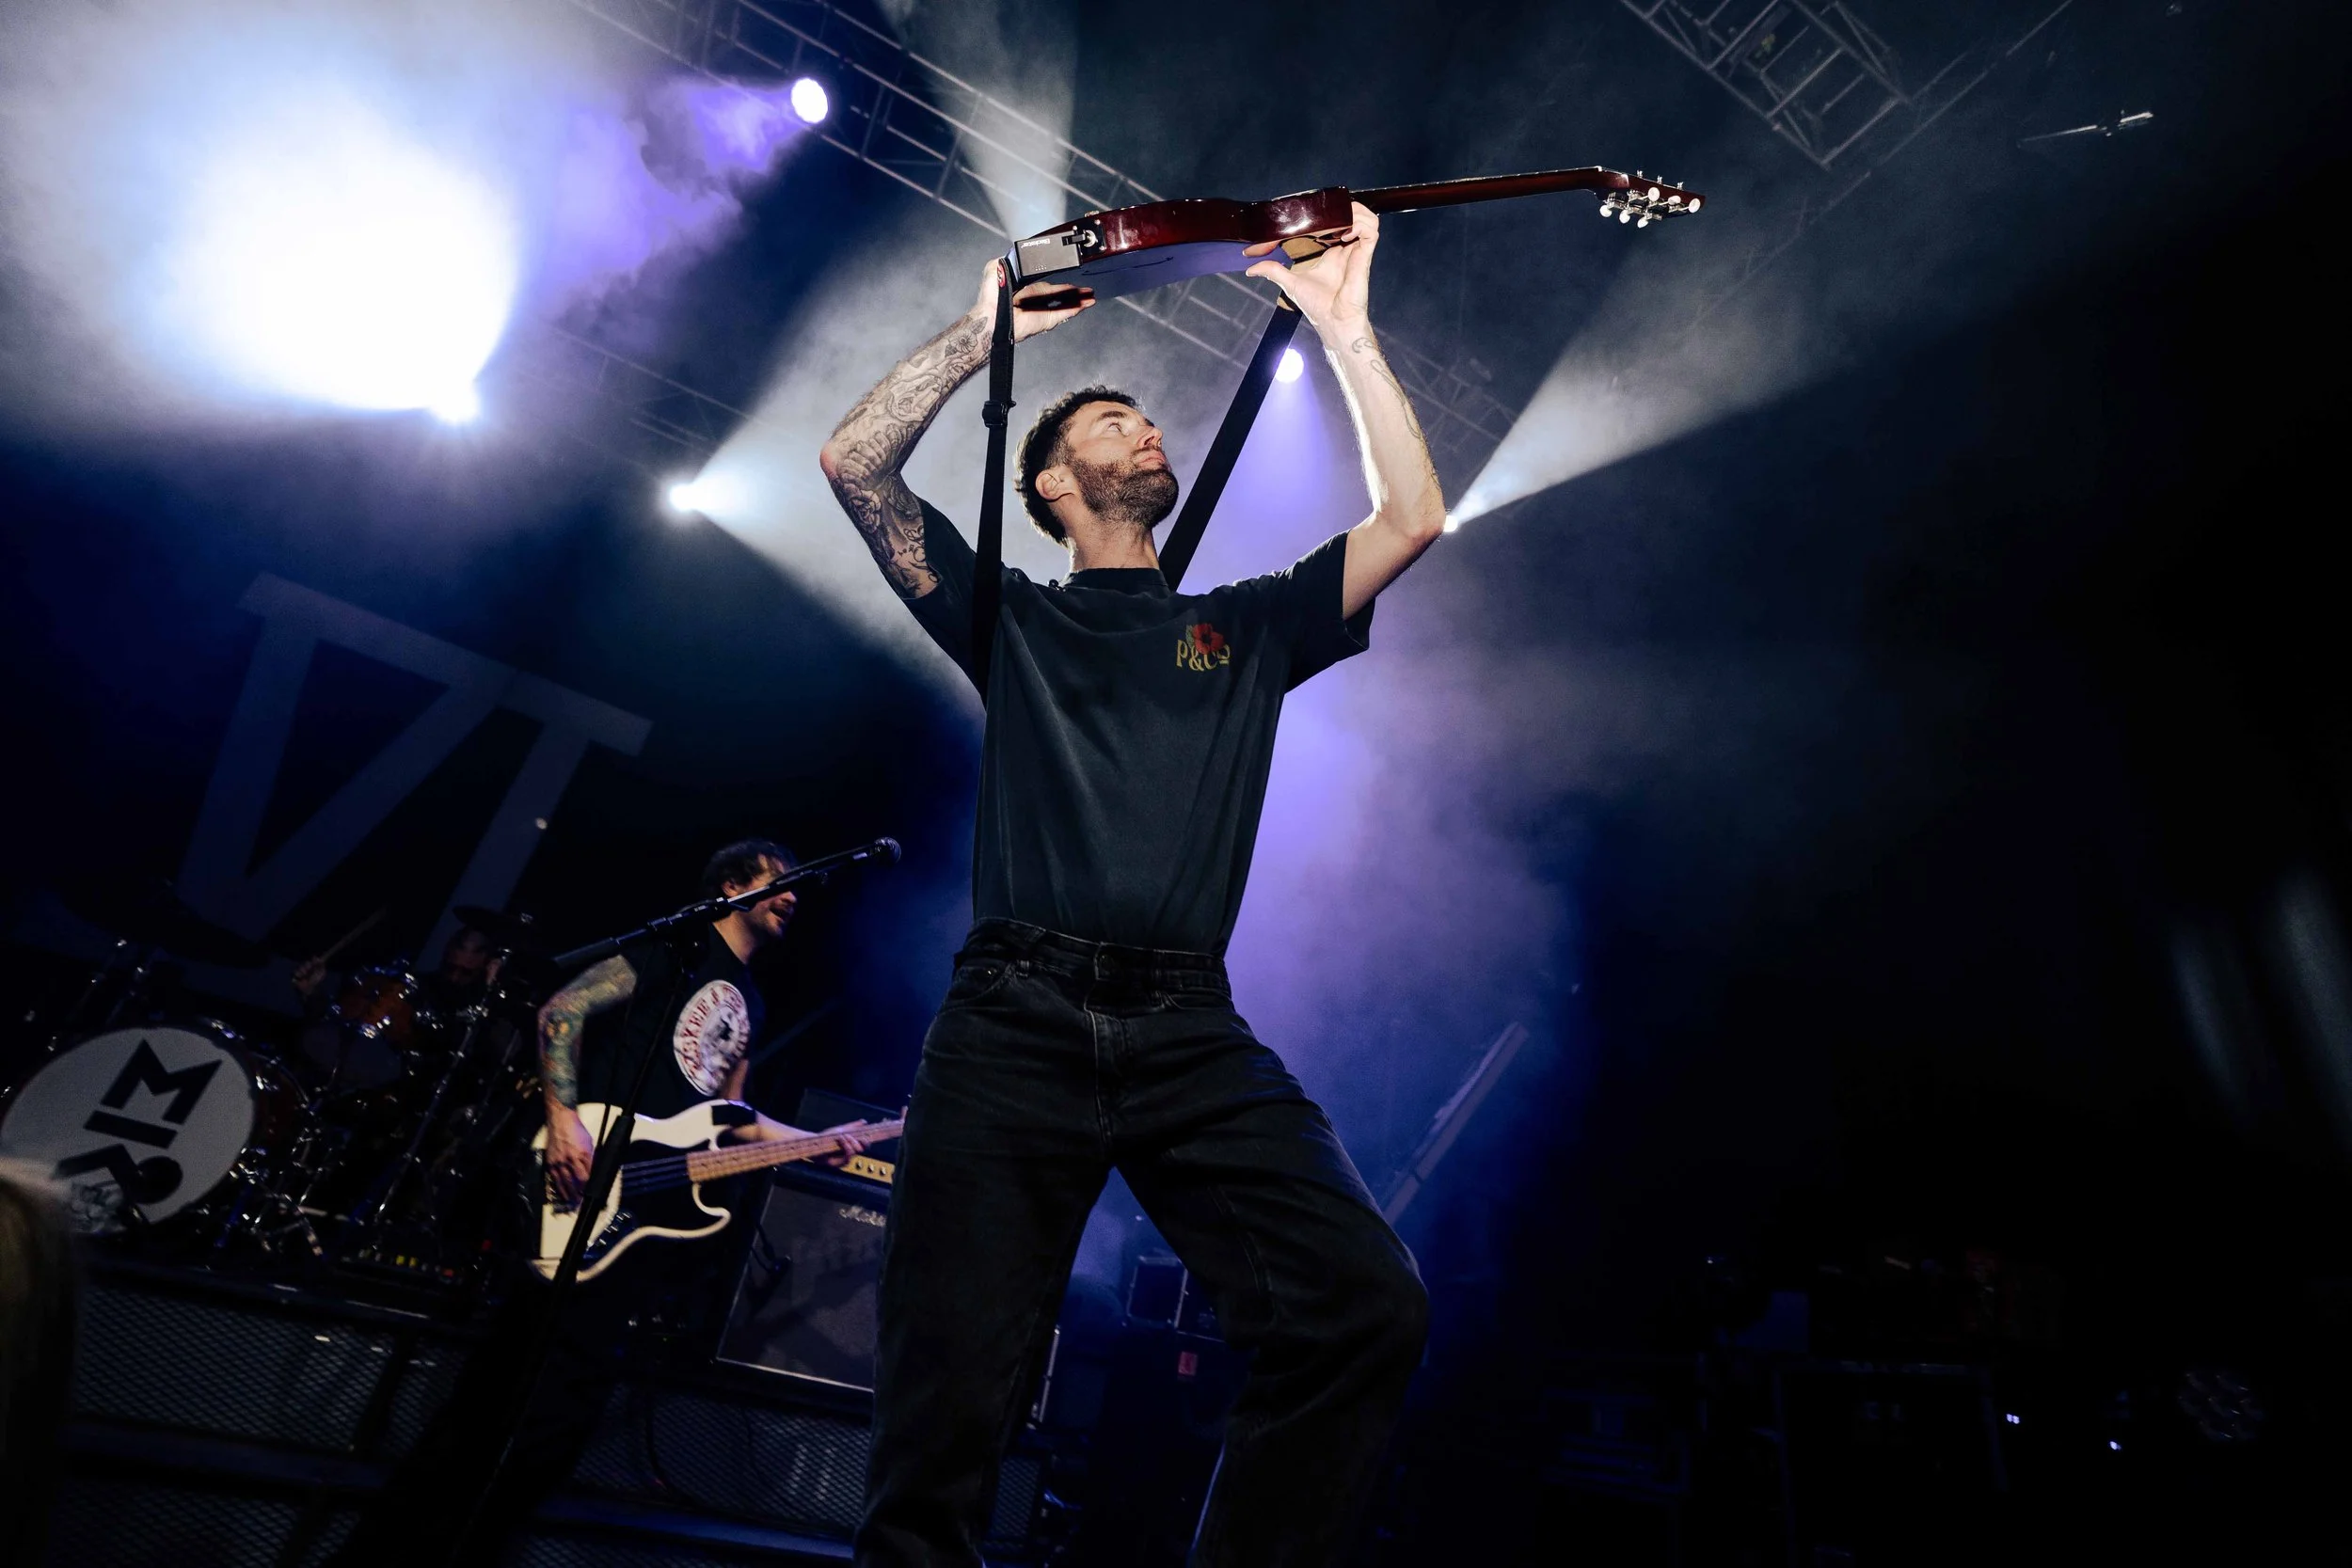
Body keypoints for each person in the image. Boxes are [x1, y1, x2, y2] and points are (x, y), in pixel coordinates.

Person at [818, 205, 1444, 1566]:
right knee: (941, 1434)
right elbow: (855, 462)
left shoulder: (1245, 626)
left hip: (1188, 1032)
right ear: (1050, 482)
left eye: (1145, 421)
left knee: (1366, 1306)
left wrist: (1343, 325)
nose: (1141, 428)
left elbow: (1415, 515)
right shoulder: (1013, 617)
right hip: (1011, 1023)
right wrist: (979, 337)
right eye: (1105, 422)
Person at [328, 839, 863, 1567]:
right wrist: (563, 1117)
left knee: (565, 1406)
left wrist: (815, 1139)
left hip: (642, 1213)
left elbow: (729, 1115)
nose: (795, 896)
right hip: (582, 1175)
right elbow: (561, 1013)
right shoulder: (674, 947)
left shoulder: (753, 1002)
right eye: (782, 882)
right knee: (504, 1392)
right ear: (734, 884)